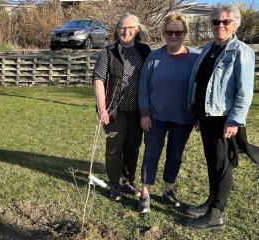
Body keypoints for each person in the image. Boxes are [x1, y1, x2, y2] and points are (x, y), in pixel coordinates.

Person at [185, 4, 255, 230]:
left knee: (222, 164)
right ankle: (211, 200)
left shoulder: (240, 51)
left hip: (224, 118)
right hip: (207, 115)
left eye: (226, 22)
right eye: (216, 22)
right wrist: (197, 112)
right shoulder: (208, 49)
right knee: (212, 161)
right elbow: (200, 82)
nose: (220, 26)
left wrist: (235, 119)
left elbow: (245, 90)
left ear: (235, 24)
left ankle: (216, 214)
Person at [138, 13, 200, 213]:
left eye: (178, 32)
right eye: (169, 32)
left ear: (185, 33)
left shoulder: (195, 58)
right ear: (164, 34)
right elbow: (143, 88)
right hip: (155, 117)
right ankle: (145, 193)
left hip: (183, 118)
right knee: (151, 154)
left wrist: (198, 115)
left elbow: (201, 88)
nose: (174, 36)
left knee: (175, 155)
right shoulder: (154, 57)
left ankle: (168, 190)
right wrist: (144, 114)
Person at [93, 14, 152, 201]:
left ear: (137, 30)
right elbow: (98, 79)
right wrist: (102, 109)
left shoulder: (145, 51)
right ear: (117, 30)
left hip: (138, 110)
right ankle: (113, 184)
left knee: (133, 147)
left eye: (130, 28)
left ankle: (127, 181)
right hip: (114, 110)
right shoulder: (109, 51)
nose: (126, 31)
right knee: (114, 147)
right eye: (122, 28)